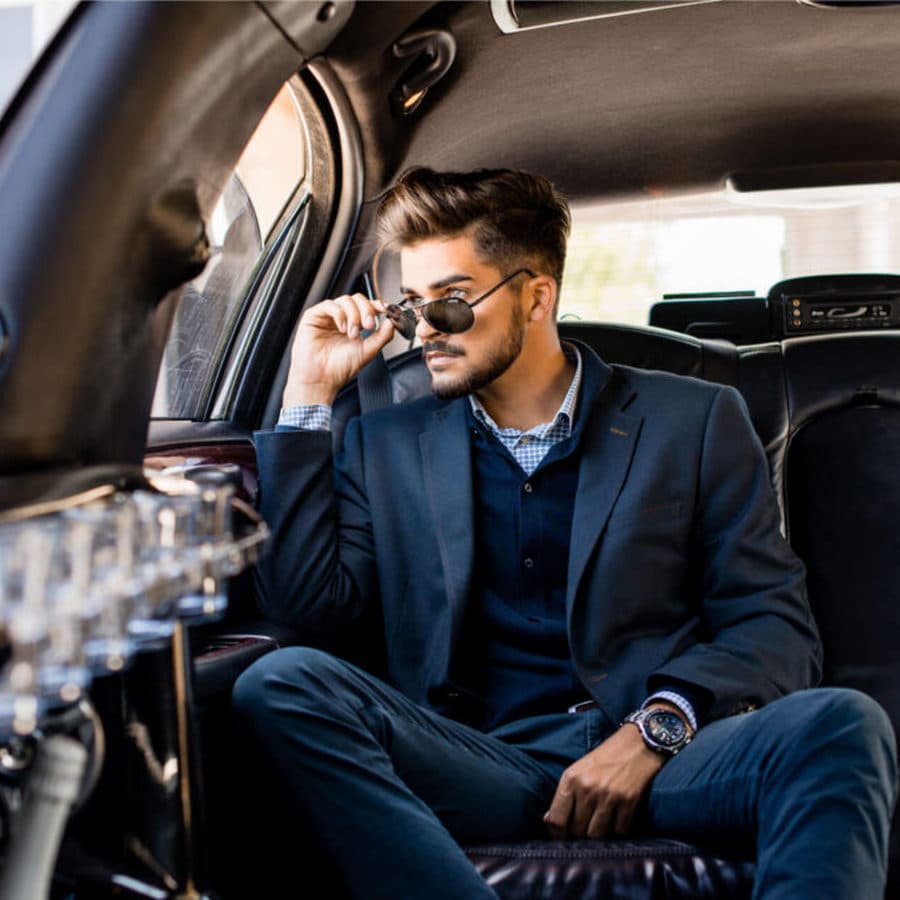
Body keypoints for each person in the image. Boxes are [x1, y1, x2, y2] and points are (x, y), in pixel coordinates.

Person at [234, 168, 897, 900]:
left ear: (537, 296)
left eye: (449, 302)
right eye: (412, 306)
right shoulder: (384, 442)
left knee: (843, 723)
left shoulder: (693, 420)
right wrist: (309, 392)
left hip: (671, 758)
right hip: (479, 759)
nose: (425, 331)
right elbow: (306, 610)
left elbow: (774, 626)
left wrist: (654, 731)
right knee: (280, 684)